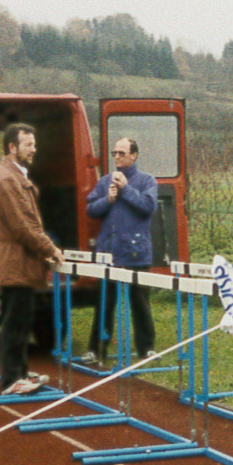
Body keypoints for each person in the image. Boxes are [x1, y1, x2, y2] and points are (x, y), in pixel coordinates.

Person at [0, 123, 62, 396]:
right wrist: (49, 248)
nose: (34, 149)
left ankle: (19, 372)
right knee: (15, 323)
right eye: (28, 144)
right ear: (12, 147)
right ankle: (11, 380)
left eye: (34, 144)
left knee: (20, 320)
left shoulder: (14, 174)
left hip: (20, 260)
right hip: (15, 260)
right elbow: (22, 226)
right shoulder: (7, 179)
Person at [80, 137, 159, 366]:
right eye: (114, 153)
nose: (117, 157)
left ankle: (147, 349)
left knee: (140, 304)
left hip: (136, 253)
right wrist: (108, 199)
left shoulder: (147, 180)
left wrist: (126, 189)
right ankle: (96, 350)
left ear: (134, 155)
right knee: (104, 304)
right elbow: (91, 210)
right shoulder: (105, 181)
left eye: (122, 153)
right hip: (110, 253)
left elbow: (148, 208)